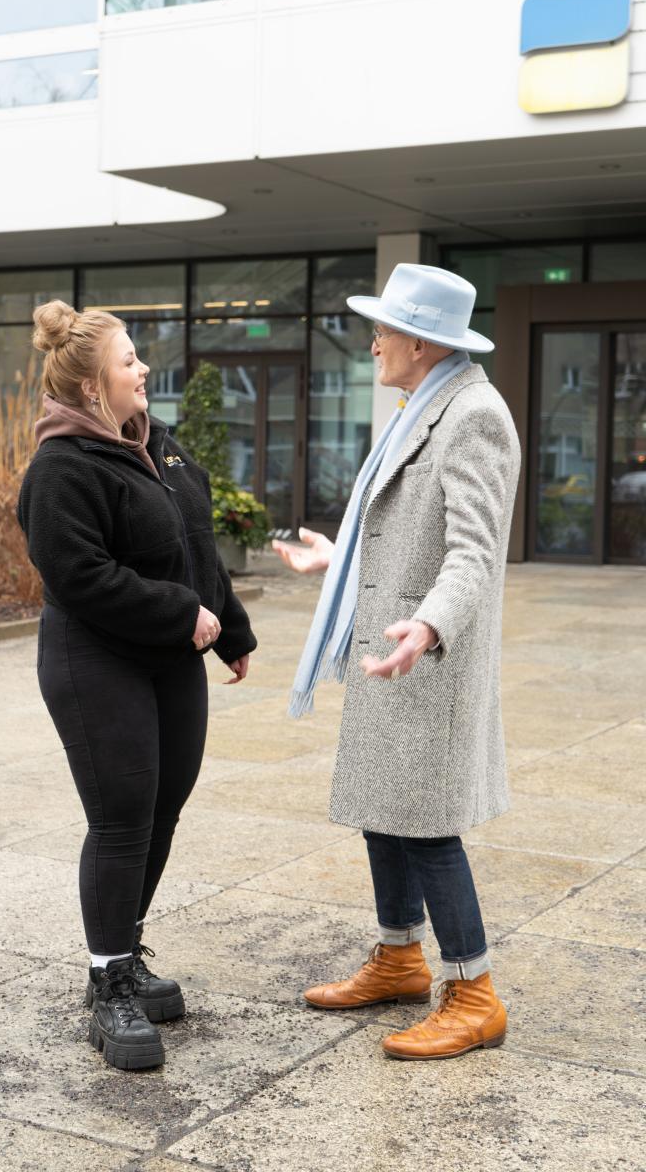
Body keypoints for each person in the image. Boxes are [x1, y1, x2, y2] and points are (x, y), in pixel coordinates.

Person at [274, 263, 520, 1061]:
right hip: (393, 651)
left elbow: (474, 552)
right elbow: (406, 529)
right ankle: (399, 958)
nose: (374, 342)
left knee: (428, 829)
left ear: (419, 340)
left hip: (426, 661)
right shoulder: (427, 404)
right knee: (384, 814)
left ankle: (474, 994)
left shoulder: (474, 415)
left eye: (383, 329)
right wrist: (337, 561)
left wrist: (428, 625)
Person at [18, 301, 256, 1072]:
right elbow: (80, 577)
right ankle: (108, 982)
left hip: (172, 658)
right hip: (96, 657)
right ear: (92, 386)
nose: (144, 368)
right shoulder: (61, 468)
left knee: (162, 811)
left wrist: (231, 628)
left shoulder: (159, 446)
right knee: (122, 818)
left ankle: (126, 947)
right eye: (129, 360)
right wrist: (181, 613)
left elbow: (197, 546)